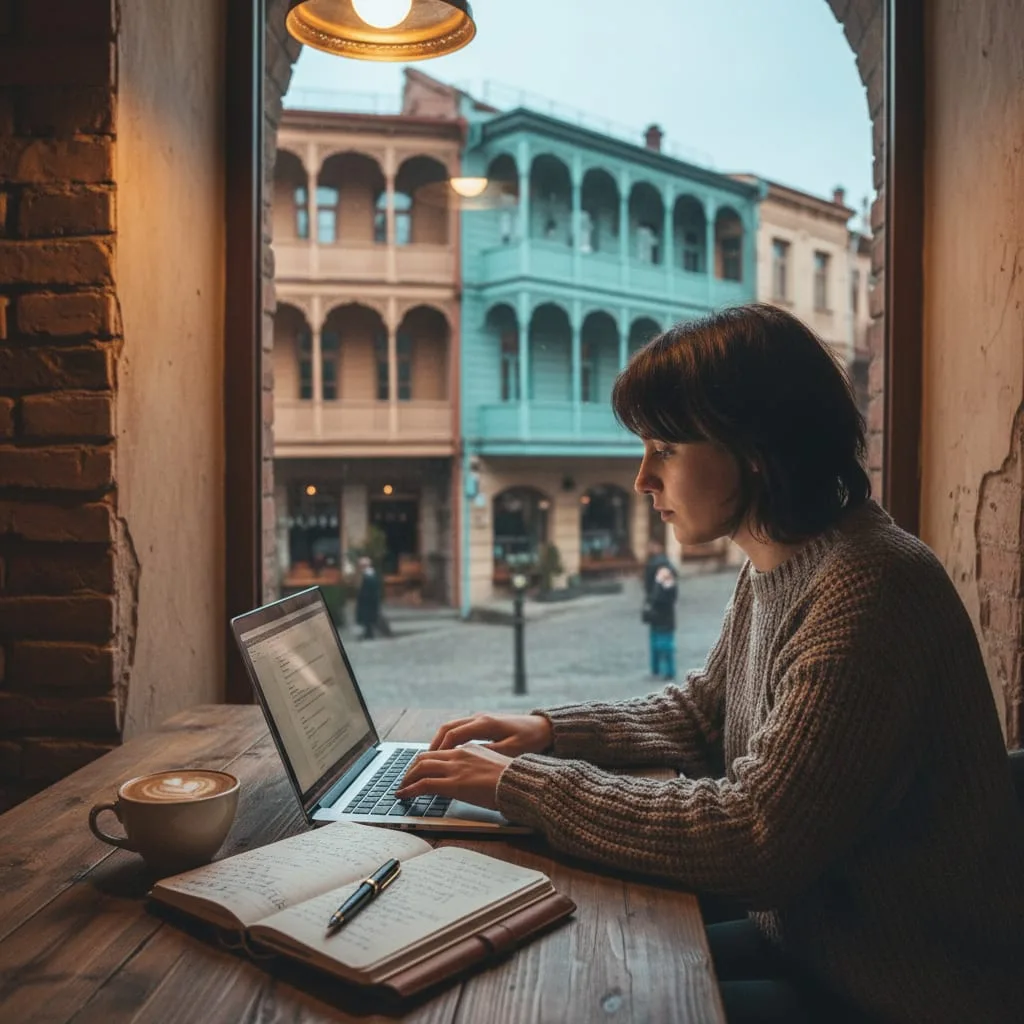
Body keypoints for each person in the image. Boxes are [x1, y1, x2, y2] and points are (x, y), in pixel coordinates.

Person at [397, 304, 1024, 1023]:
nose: (641, 479)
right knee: (574, 960)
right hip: (819, 942)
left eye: (663, 448)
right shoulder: (782, 560)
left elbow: (753, 839)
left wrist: (522, 786)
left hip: (906, 985)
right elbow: (703, 716)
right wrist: (546, 730)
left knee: (582, 993)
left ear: (754, 449)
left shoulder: (872, 587)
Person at [646, 563, 678, 680]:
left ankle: (669, 671)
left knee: (666, 647)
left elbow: (661, 600)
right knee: (655, 646)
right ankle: (656, 669)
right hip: (656, 620)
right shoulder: (657, 584)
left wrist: (659, 584)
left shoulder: (669, 586)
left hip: (665, 621)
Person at [354, 556, 381, 640]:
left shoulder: (369, 575)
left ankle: (369, 634)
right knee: (366, 618)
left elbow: (370, 589)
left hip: (368, 601)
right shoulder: (368, 574)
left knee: (367, 617)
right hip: (367, 600)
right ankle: (367, 633)